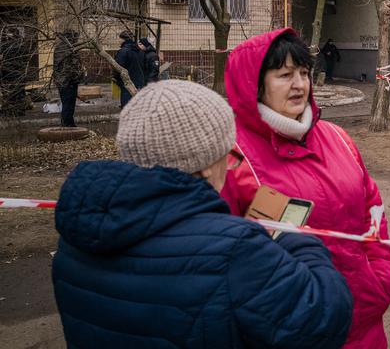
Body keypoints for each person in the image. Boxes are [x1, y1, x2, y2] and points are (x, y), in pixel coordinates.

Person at [52, 80, 353, 348]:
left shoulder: (76, 236)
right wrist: (294, 238)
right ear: (206, 163)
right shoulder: (234, 249)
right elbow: (323, 321)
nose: (230, 164)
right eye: (229, 155)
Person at [220, 29, 390, 349]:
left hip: (365, 321)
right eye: (285, 74)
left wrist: (378, 277)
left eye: (304, 73)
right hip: (289, 330)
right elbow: (225, 260)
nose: (300, 84)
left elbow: (373, 210)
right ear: (254, 84)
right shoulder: (231, 157)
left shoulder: (337, 137)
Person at [52, 30, 83, 127]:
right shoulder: (70, 48)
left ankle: (67, 123)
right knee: (69, 104)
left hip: (61, 80)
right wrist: (79, 75)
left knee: (66, 103)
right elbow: (73, 66)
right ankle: (68, 124)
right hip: (68, 80)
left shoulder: (59, 47)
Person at [0, 28, 29, 116]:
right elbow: (26, 58)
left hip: (9, 71)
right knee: (20, 91)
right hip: (20, 71)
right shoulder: (22, 44)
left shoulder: (6, 45)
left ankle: (12, 111)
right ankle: (20, 110)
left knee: (11, 92)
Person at [113, 30, 145, 107]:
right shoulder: (139, 51)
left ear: (124, 39)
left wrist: (115, 78)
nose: (118, 40)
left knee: (126, 104)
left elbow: (118, 67)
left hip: (127, 81)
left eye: (119, 38)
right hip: (138, 81)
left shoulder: (123, 51)